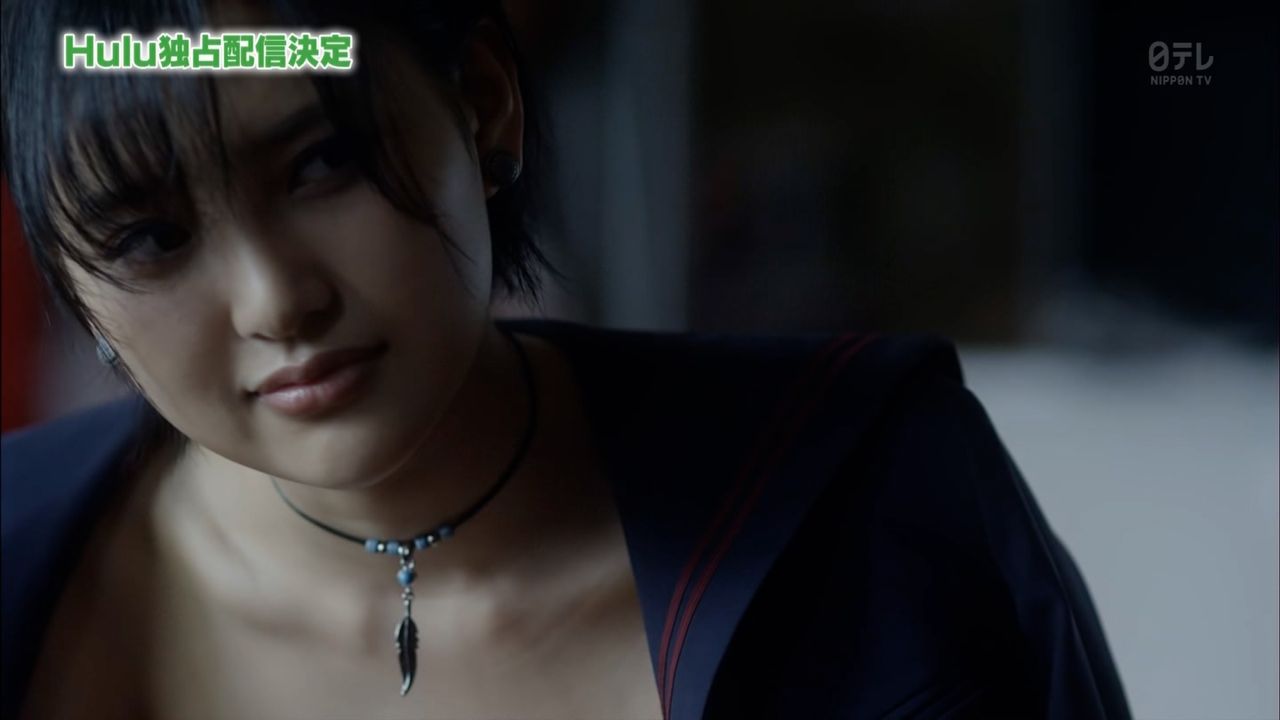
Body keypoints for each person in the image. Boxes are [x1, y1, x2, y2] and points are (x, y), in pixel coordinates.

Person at [0, 1, 1132, 719]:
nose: (275, 300)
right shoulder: (29, 569)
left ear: (483, 106)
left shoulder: (864, 495)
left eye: (322, 163)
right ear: (69, 277)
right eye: (149, 237)